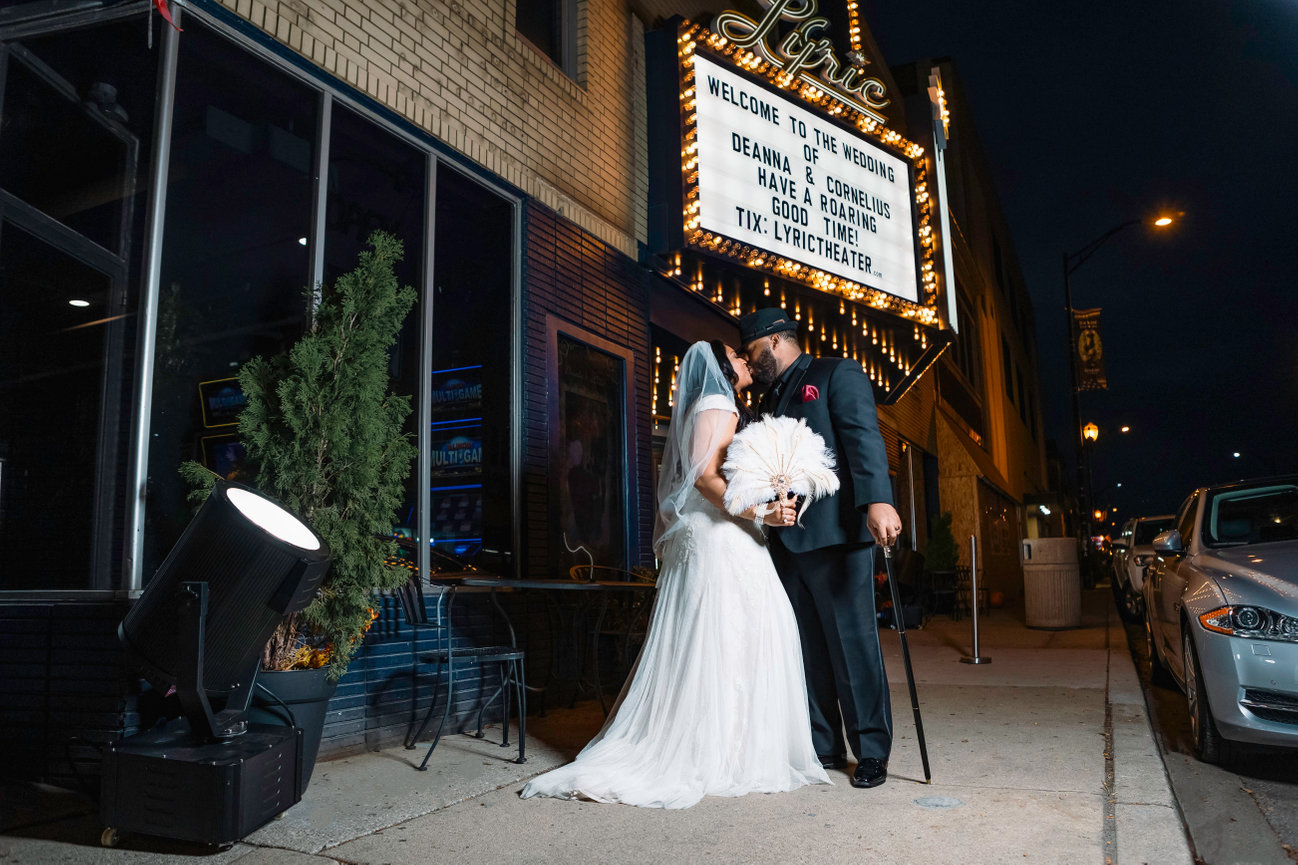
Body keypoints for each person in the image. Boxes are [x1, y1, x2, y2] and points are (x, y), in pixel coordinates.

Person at [521, 340, 831, 808]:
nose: (746, 360)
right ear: (721, 371)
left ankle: (733, 746)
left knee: (723, 639)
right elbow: (707, 478)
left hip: (716, 535)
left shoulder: (709, 406)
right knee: (727, 639)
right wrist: (762, 513)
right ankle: (721, 752)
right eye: (736, 356)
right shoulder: (717, 403)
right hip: (722, 538)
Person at [739, 307, 904, 789]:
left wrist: (878, 500)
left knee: (853, 646)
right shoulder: (768, 399)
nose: (750, 363)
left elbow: (861, 437)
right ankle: (824, 745)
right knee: (806, 649)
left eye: (751, 352)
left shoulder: (836, 373)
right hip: (786, 544)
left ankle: (871, 750)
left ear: (772, 341)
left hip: (837, 537)